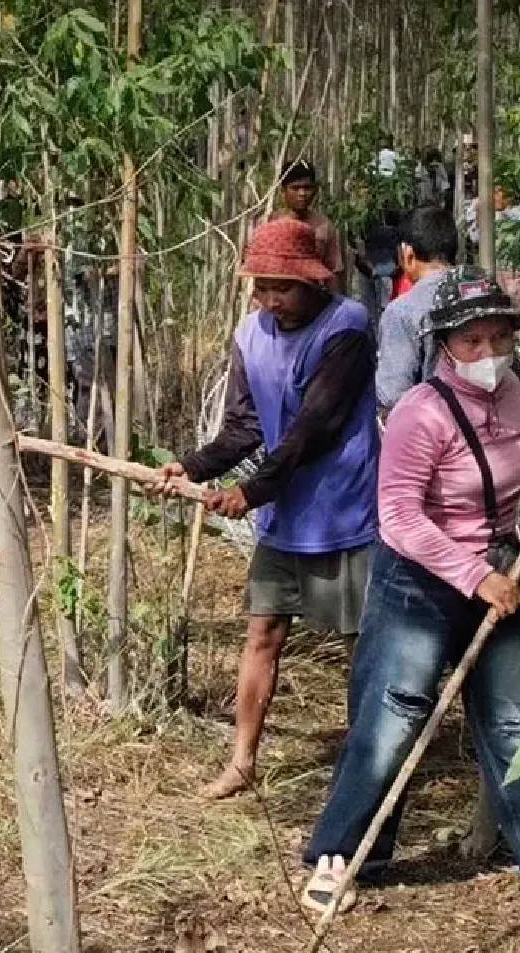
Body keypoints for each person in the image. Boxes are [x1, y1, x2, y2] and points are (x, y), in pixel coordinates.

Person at [298, 269, 520, 925]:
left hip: (499, 576)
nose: (486, 353)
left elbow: (515, 455)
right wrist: (470, 573)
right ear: (445, 345)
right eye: (471, 340)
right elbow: (397, 515)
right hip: (419, 582)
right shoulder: (419, 413)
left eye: (498, 337)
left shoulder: (512, 395)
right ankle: (339, 855)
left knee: (518, 725)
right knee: (392, 720)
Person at [147, 218, 379, 801]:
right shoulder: (251, 334)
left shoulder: (346, 328)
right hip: (284, 514)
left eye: (285, 287)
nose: (273, 300)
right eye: (263, 287)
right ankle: (242, 761)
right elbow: (247, 425)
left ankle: (366, 765)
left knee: (360, 644)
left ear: (313, 282)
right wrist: (194, 467)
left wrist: (250, 493)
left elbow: (316, 429)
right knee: (263, 633)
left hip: (343, 509)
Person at [375, 207, 459, 409]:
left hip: (434, 427)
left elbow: (393, 393)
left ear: (408, 254)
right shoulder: (484, 290)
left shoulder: (403, 311)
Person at [271, 162, 344, 289]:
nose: (302, 194)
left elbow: (333, 271)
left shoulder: (324, 226)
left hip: (313, 296)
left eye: (307, 188)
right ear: (283, 190)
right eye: (295, 188)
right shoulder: (271, 223)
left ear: (315, 190)